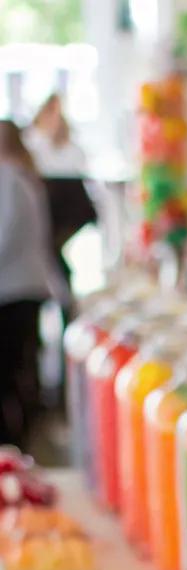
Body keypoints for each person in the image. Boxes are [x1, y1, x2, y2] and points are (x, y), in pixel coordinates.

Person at [0, 121, 58, 446]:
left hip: (12, 290)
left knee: (10, 372)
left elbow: (3, 235)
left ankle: (14, 444)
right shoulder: (23, 176)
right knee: (21, 366)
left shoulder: (8, 178)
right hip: (28, 286)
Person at [24, 93, 86, 177]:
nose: (52, 118)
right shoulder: (30, 140)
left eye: (56, 114)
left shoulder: (74, 150)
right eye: (49, 111)